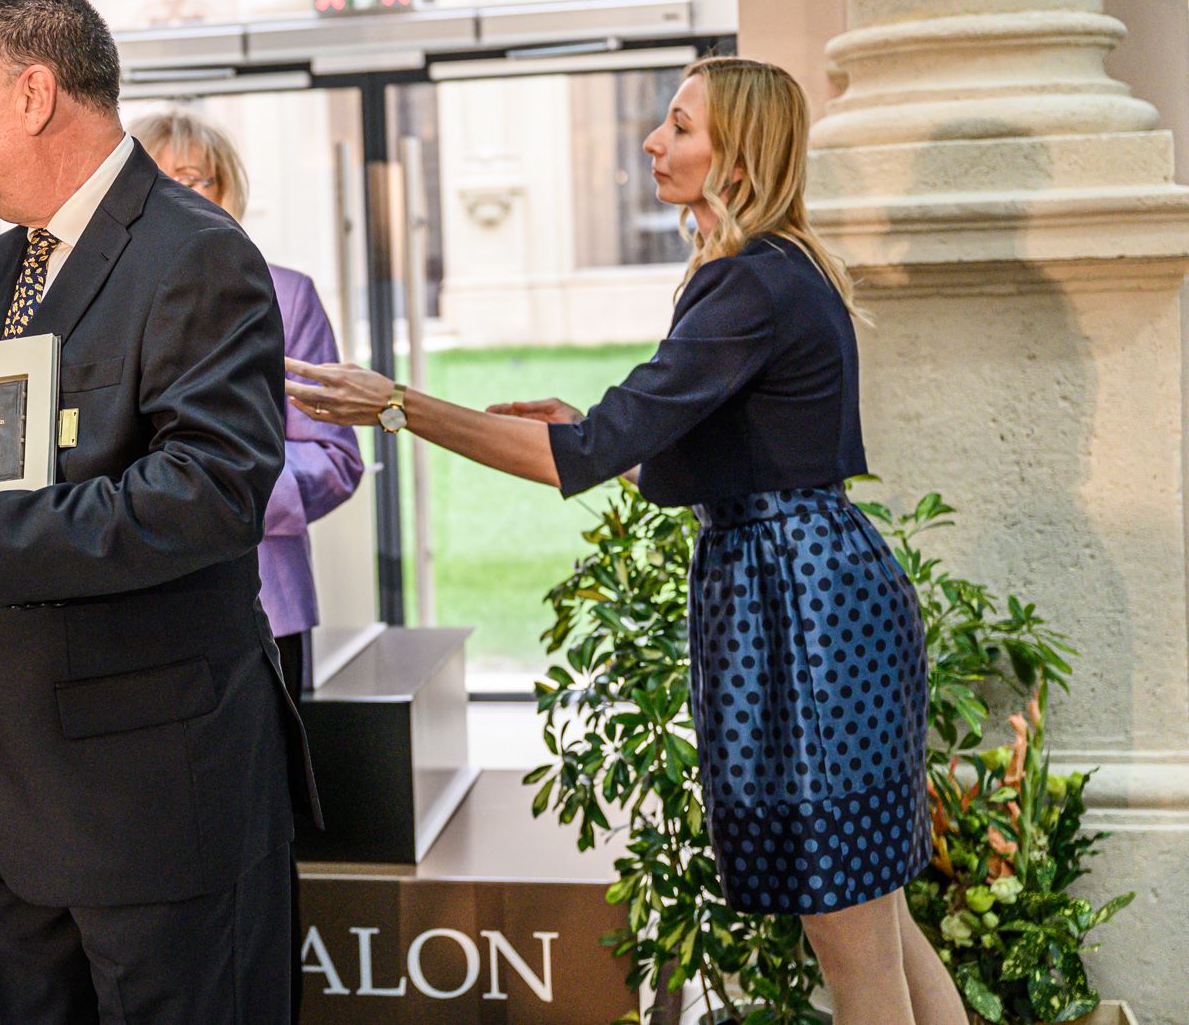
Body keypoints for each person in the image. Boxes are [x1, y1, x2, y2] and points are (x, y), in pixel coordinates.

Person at [285, 57, 967, 1025]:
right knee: (875, 916)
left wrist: (396, 404)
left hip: (801, 610)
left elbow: (575, 457)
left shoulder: (747, 282)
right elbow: (698, 461)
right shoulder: (777, 269)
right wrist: (596, 439)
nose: (653, 140)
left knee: (851, 939)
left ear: (739, 155)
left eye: (680, 125)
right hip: (817, 585)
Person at [0, 0, 318, 1025]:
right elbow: (15, 463)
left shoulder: (198, 253)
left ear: (33, 94)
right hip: (13, 803)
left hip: (151, 804)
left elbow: (208, 491)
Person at [127, 108, 362, 703]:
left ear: (227, 190)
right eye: (154, 179)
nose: (173, 195)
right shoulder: (101, 300)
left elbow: (334, 456)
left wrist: (222, 494)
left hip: (266, 601)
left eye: (192, 178)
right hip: (133, 600)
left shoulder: (288, 295)